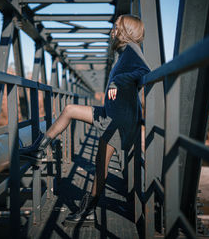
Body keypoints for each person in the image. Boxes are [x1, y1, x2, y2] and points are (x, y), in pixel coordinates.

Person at [20, 14, 151, 225]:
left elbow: (144, 71)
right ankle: (39, 148)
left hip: (118, 121)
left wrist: (118, 81)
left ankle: (88, 209)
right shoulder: (123, 51)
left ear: (127, 31)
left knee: (100, 166)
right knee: (70, 109)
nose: (113, 31)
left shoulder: (132, 50)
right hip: (109, 114)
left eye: (117, 28)